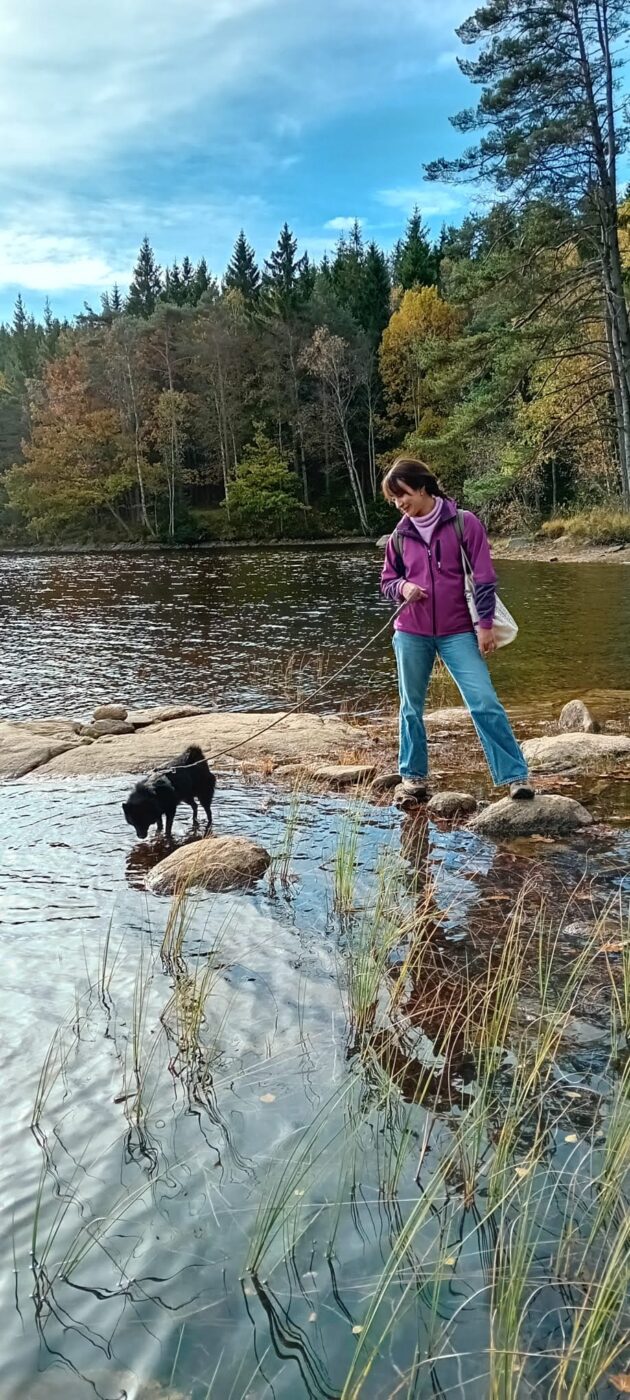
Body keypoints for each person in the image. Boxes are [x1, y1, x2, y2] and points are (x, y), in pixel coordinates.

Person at [380, 457, 533, 803]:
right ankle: (413, 778)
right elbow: (387, 582)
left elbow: (484, 578)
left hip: (458, 631)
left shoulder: (465, 524)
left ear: (422, 487)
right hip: (411, 632)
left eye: (402, 495)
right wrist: (403, 588)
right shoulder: (398, 538)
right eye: (393, 499)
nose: (399, 504)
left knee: (484, 701)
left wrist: (485, 625)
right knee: (410, 707)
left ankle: (515, 777)